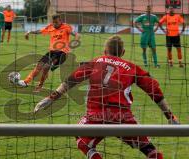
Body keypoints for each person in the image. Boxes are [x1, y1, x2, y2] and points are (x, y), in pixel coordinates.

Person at [34, 35, 179, 159]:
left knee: (78, 134)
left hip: (96, 117)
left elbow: (70, 81)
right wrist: (170, 117)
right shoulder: (133, 68)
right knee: (147, 148)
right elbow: (155, 91)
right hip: (122, 117)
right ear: (123, 52)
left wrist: (50, 98)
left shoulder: (95, 62)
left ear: (104, 51)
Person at [16, 14, 80, 92]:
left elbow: (77, 34)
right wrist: (29, 32)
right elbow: (39, 31)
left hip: (62, 53)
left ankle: (40, 86)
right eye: (53, 22)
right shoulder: (50, 27)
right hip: (51, 52)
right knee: (39, 66)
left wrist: (75, 41)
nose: (55, 24)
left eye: (56, 22)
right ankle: (25, 82)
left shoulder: (66, 27)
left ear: (60, 21)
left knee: (46, 67)